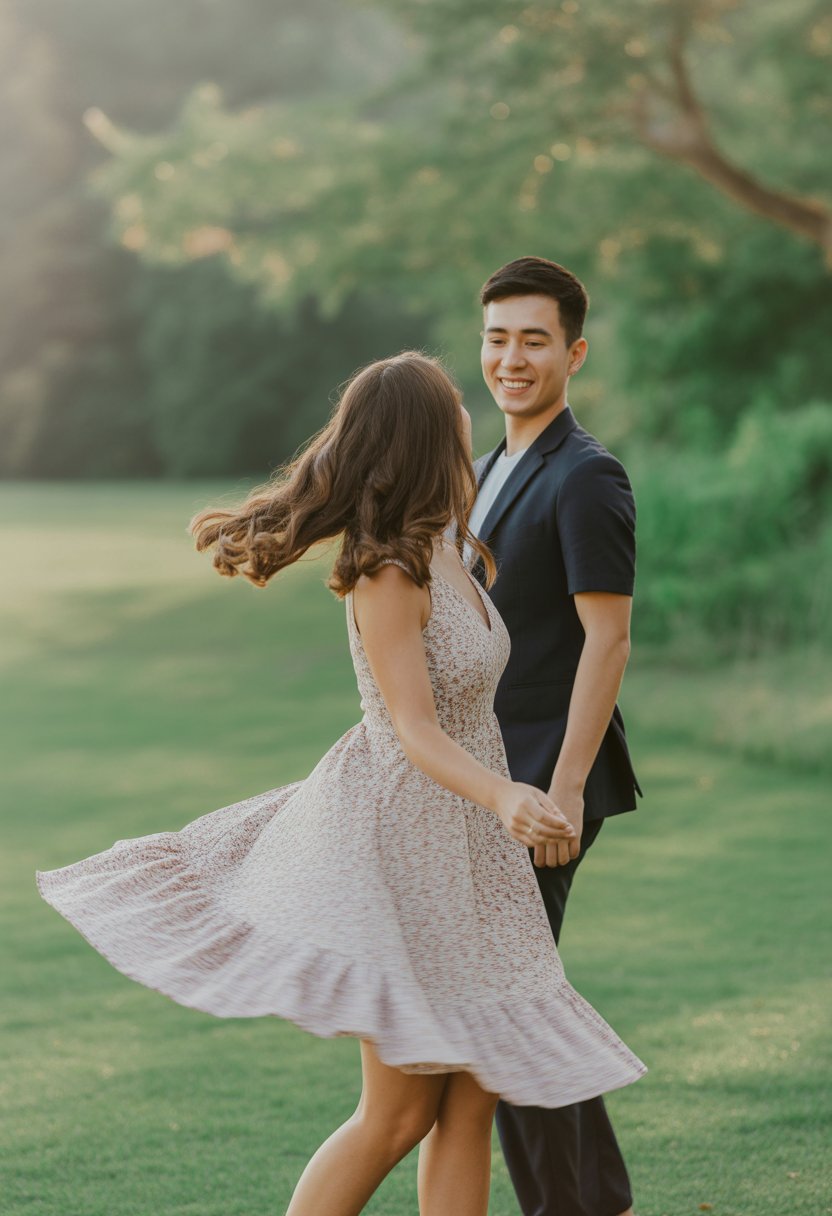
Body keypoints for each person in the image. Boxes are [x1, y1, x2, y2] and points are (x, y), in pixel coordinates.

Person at [36, 351, 645, 1216]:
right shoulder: (384, 571)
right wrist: (507, 795)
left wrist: (517, 795)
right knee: (398, 1114)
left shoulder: (449, 550)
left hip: (476, 857)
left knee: (470, 1108)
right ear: (432, 435)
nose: (473, 419)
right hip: (410, 844)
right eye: (456, 410)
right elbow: (412, 727)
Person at [461, 257, 643, 1216]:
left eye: (534, 339)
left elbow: (607, 638)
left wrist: (566, 788)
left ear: (573, 352)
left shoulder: (585, 474)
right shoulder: (487, 469)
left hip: (549, 781)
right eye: (497, 337)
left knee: (504, 1008)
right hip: (494, 783)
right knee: (521, 996)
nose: (512, 358)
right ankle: (598, 1197)